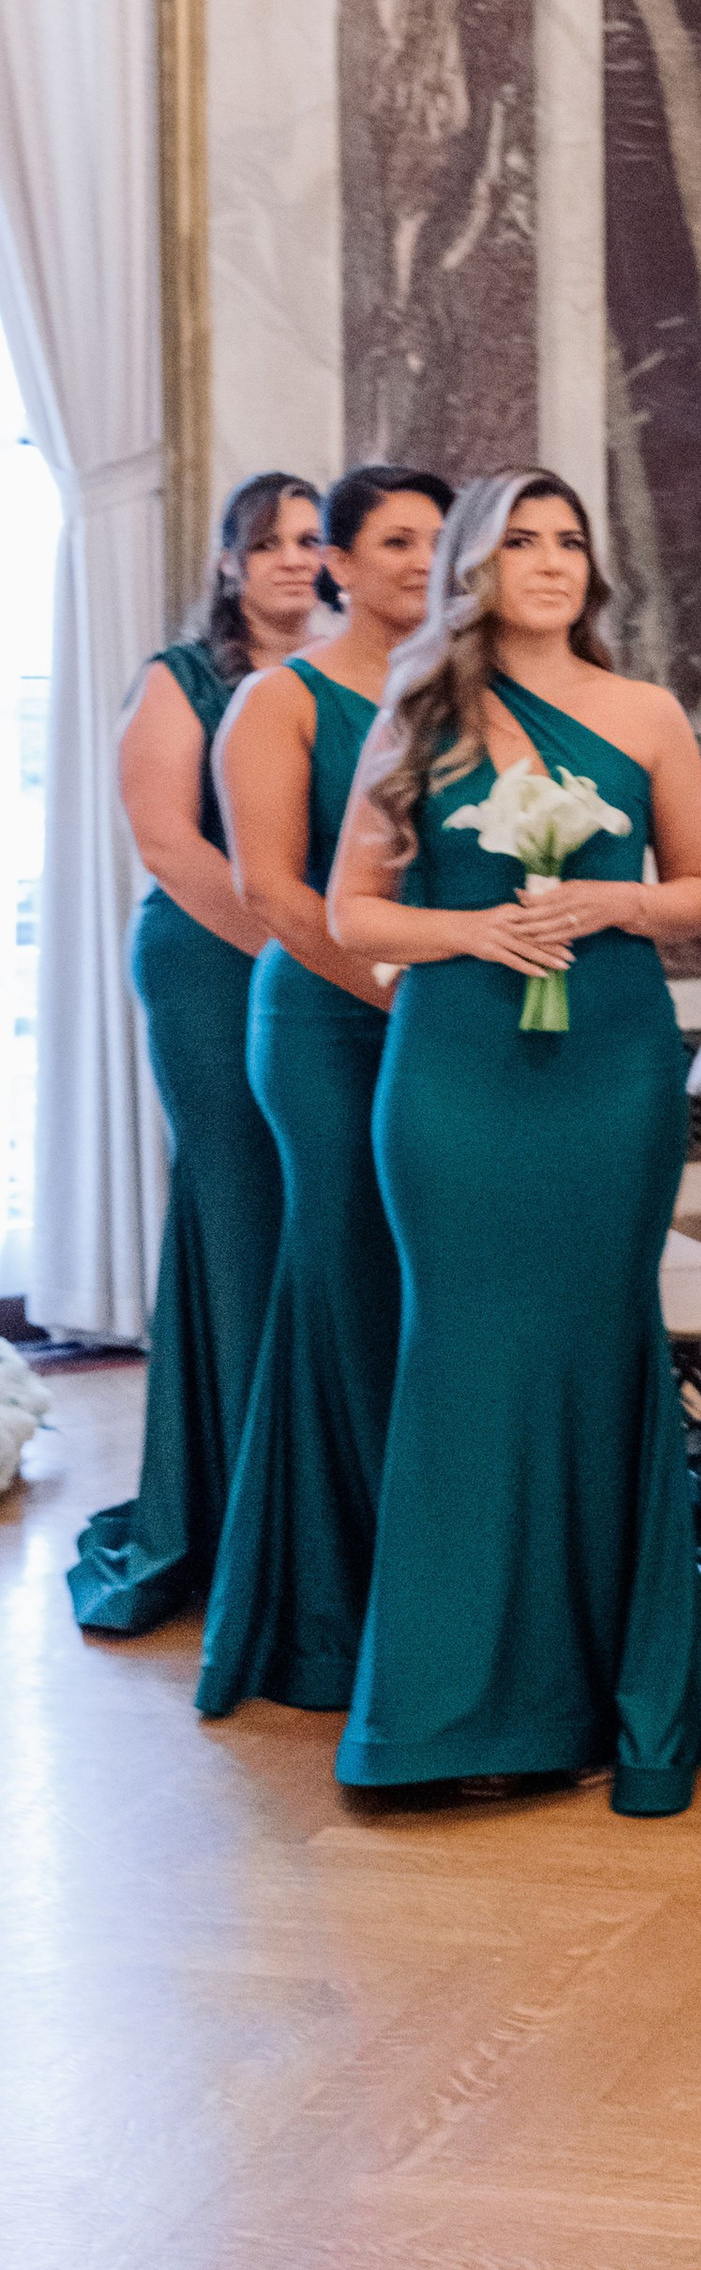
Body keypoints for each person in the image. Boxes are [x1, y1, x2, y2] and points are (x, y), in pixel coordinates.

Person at [328, 470, 701, 1811]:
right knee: (464, 1360)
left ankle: (616, 1684)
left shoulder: (644, 712)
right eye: (521, 539)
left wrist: (611, 898)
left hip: (611, 1068)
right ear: (476, 564)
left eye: (570, 539)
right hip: (459, 1073)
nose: (550, 560)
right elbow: (355, 912)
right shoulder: (416, 713)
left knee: (600, 1353)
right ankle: (450, 1705)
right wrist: (474, 929)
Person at [196, 463, 453, 1719]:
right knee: (348, 1278)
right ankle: (339, 1606)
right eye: (395, 539)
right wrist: (401, 991)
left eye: (440, 539)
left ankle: (438, 1573)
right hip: (325, 1024)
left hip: (454, 1031)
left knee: (431, 1297)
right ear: (336, 564)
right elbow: (273, 892)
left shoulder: (470, 693)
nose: (423, 559)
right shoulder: (277, 697)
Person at [68, 473, 320, 1635]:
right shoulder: (181, 680)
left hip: (318, 967)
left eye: (310, 542)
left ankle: (303, 1490)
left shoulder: (332, 677)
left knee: (308, 1211)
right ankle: (221, 1508)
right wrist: (288, 945)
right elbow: (167, 841)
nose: (289, 561)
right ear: (227, 562)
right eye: (266, 543)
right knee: (236, 1205)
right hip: (213, 963)